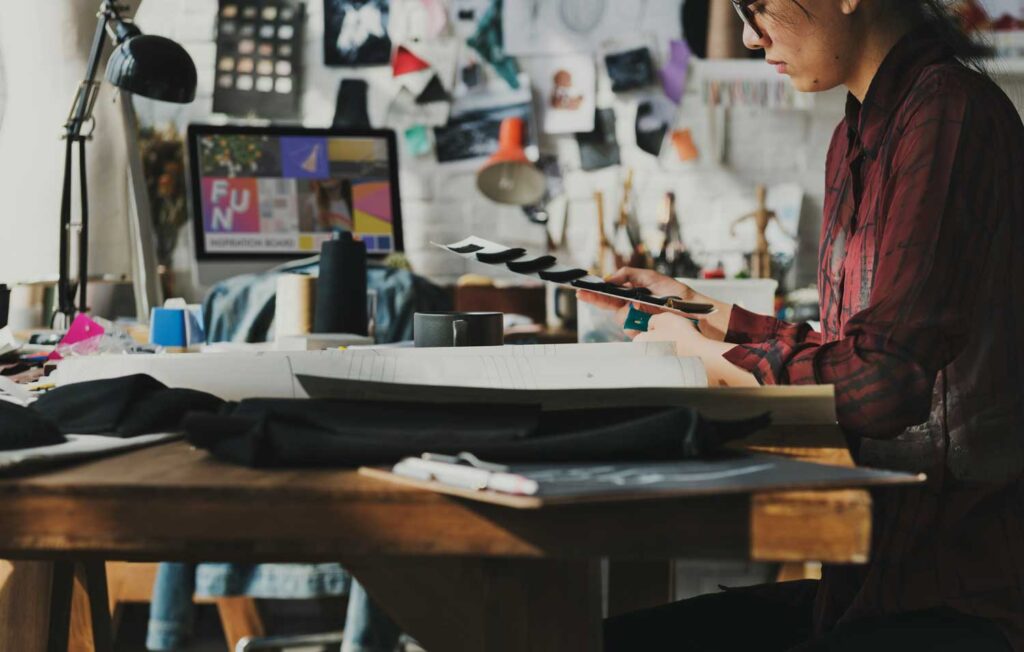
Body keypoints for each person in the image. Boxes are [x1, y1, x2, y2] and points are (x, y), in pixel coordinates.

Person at [581, 0, 1024, 650]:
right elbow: (860, 349)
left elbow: (882, 384)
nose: (746, 35)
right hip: (873, 582)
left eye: (755, 6)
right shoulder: (858, 135)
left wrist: (704, 359)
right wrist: (704, 313)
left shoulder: (947, 118)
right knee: (595, 641)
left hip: (961, 595)